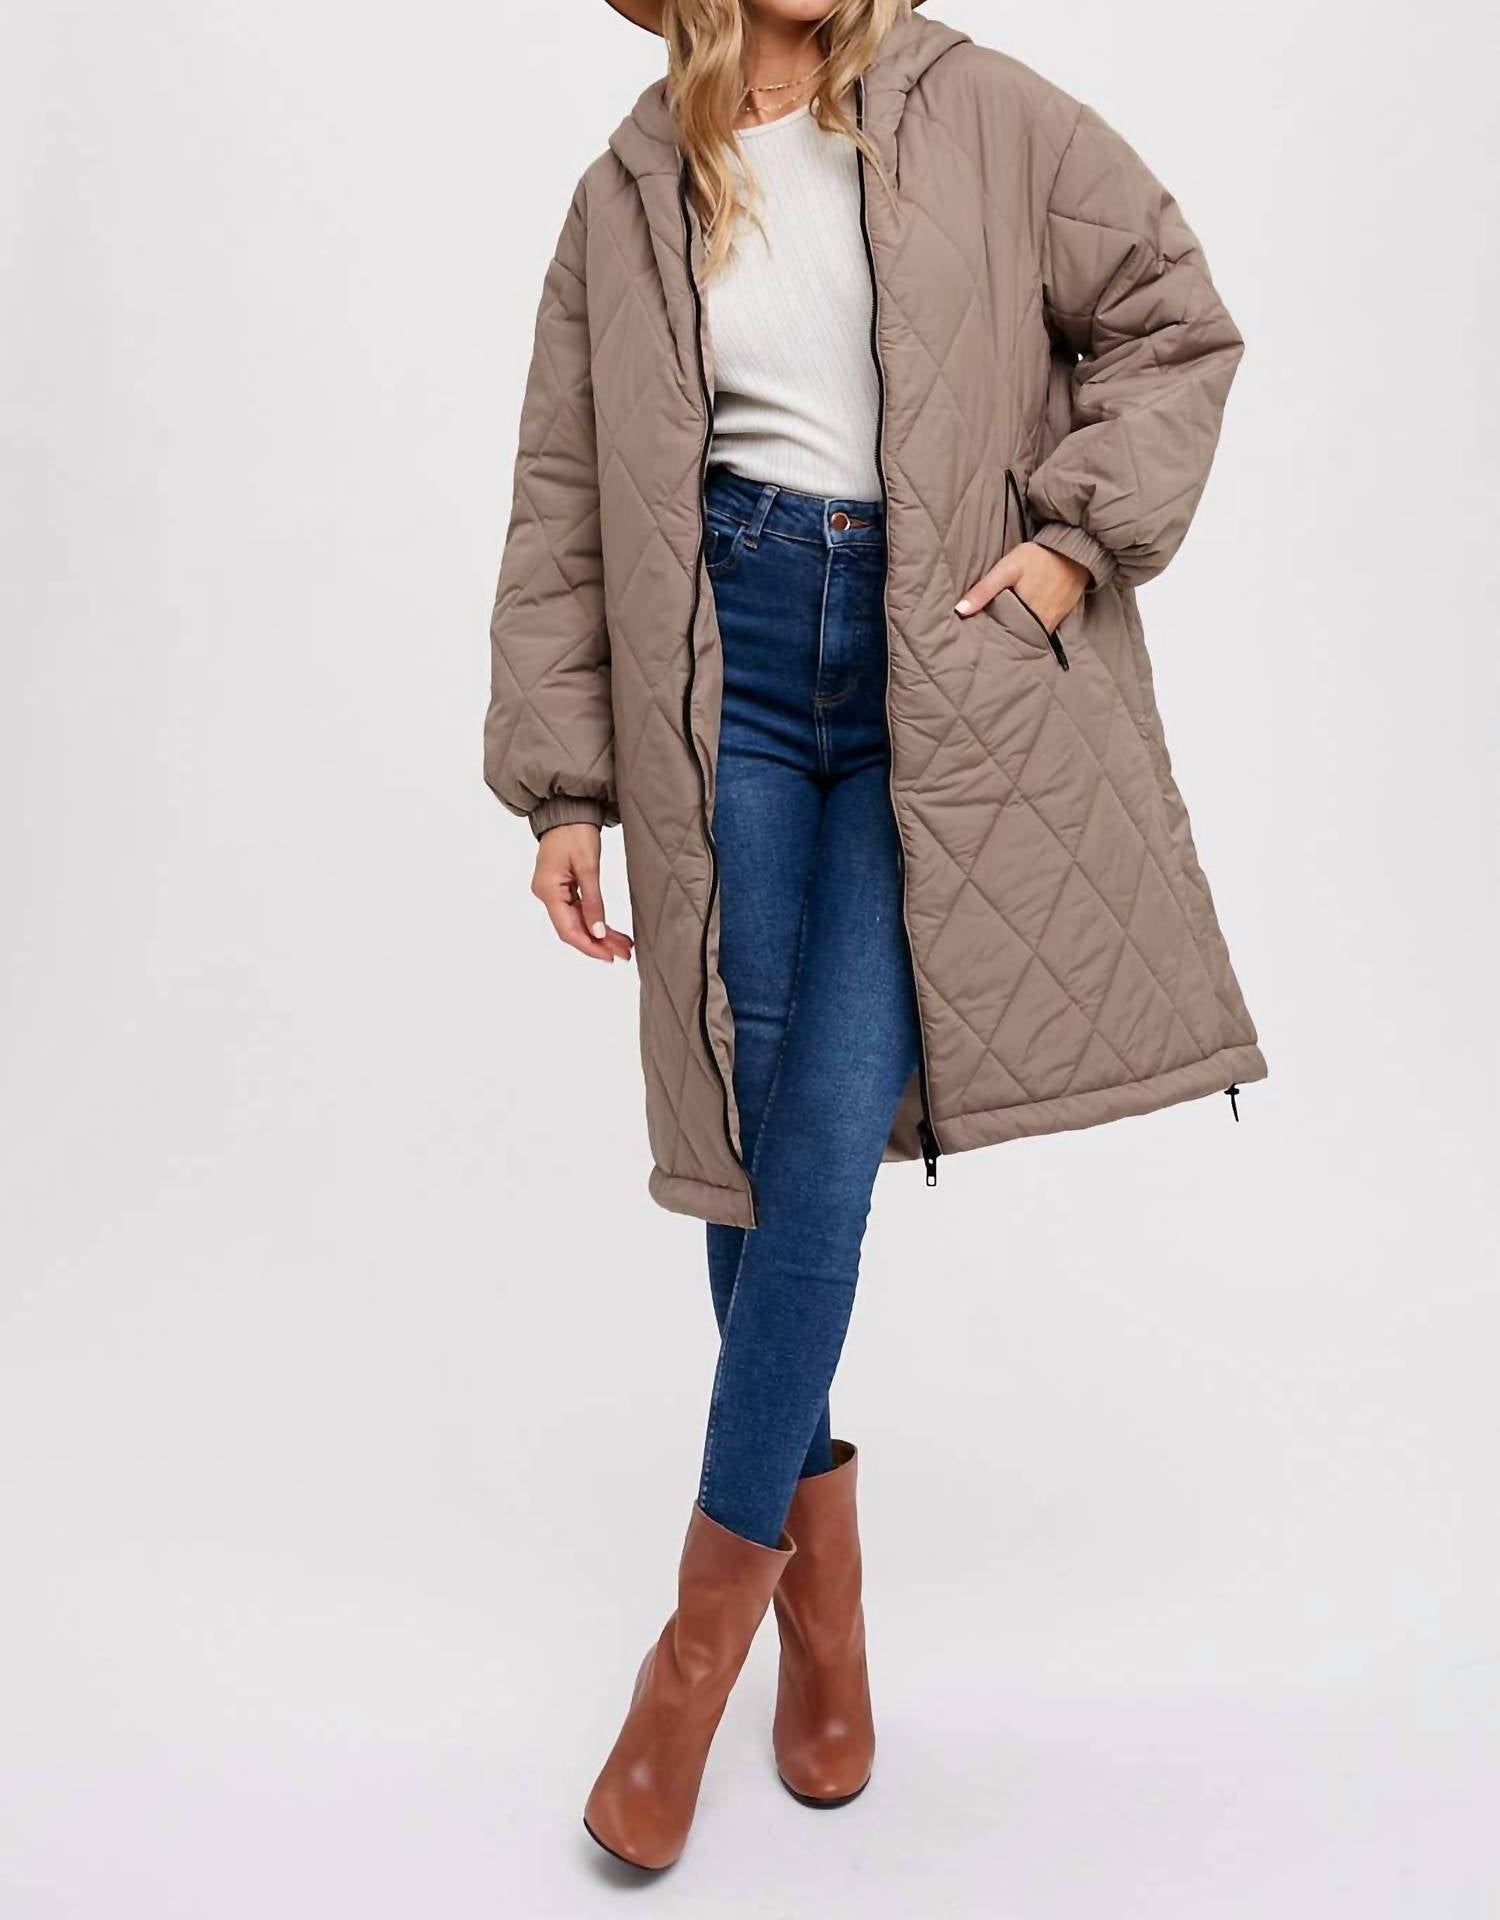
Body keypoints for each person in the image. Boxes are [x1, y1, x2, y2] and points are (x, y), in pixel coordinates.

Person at [484, 0, 1266, 1872]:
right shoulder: (630, 183)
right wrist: (564, 785)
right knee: (752, 1147)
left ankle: (693, 1659)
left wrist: (1074, 544)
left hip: (940, 667)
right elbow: (565, 494)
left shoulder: (984, 111)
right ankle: (820, 1612)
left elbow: (1176, 320)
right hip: (725, 670)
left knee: (822, 1146)